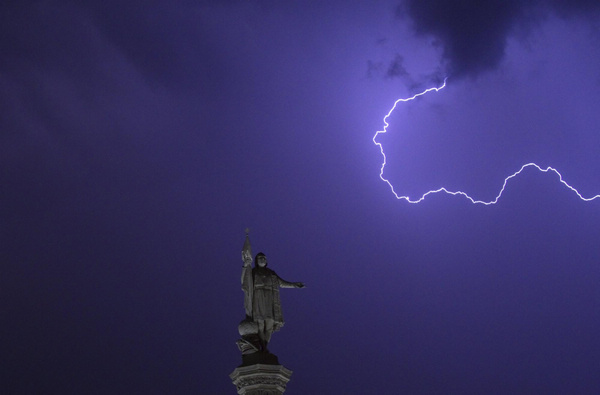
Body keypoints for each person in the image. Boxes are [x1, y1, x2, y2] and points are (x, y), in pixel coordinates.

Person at [242, 251, 304, 352]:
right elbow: (244, 281)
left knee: (269, 324)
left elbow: (282, 283)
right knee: (260, 325)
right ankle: (264, 349)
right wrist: (245, 266)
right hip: (258, 298)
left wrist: (294, 285)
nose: (262, 259)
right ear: (256, 261)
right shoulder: (253, 272)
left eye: (264, 258)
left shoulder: (271, 273)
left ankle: (264, 347)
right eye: (260, 258)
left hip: (269, 299)